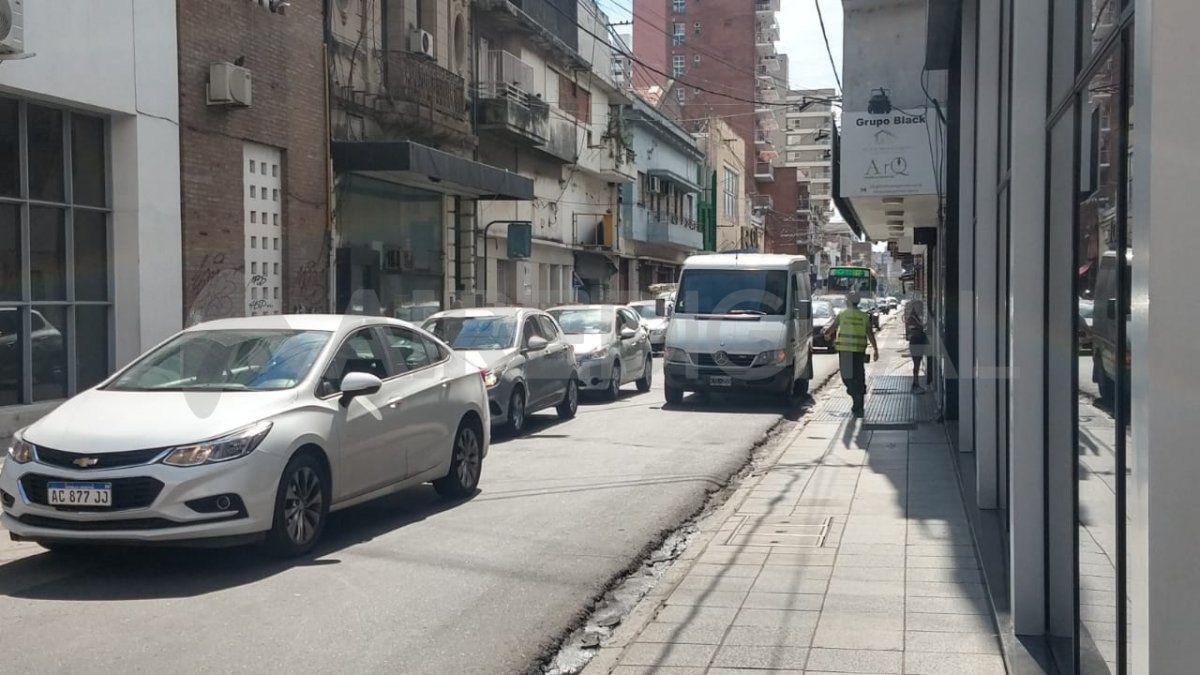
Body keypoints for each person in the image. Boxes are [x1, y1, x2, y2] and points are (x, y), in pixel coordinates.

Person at [823, 291, 879, 417]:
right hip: (859, 351)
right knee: (859, 375)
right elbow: (870, 333)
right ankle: (859, 403)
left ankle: (856, 397)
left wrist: (826, 335)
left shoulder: (842, 314)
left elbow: (831, 329)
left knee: (848, 378)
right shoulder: (864, 316)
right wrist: (875, 350)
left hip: (845, 351)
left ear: (848, 301)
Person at [904, 299, 931, 392]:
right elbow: (913, 330)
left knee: (917, 364)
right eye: (919, 307)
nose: (921, 309)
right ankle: (915, 385)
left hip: (917, 342)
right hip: (916, 343)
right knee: (916, 364)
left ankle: (916, 384)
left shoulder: (916, 318)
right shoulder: (912, 318)